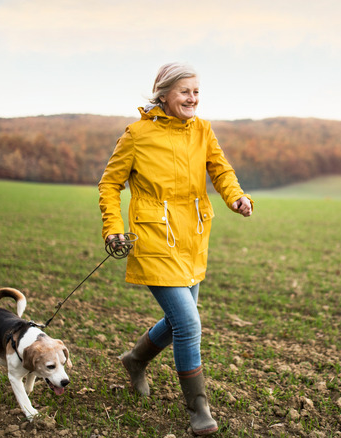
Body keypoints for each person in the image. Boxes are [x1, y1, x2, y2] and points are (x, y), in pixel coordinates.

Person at [98, 62, 253, 435]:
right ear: (164, 93)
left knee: (179, 320)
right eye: (185, 91)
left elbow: (221, 169)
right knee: (188, 323)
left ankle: (135, 360)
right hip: (152, 239)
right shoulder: (136, 135)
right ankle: (199, 407)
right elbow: (109, 184)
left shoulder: (203, 129)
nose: (193, 98)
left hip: (192, 237)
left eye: (196, 91)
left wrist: (235, 197)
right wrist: (113, 228)